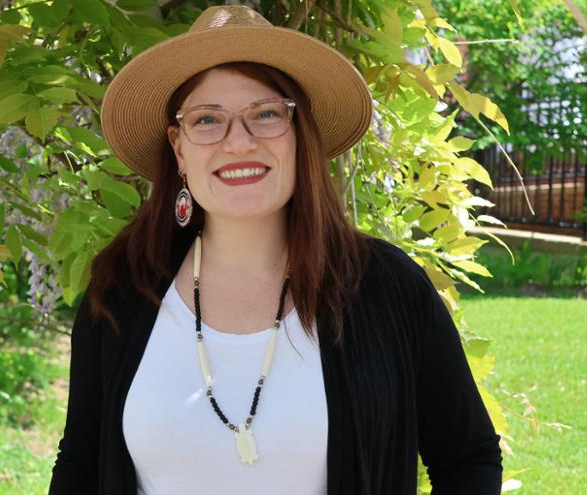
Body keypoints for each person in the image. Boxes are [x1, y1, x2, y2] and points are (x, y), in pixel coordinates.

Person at [48, 5, 502, 495]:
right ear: (179, 150)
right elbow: (80, 463)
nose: (238, 143)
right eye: (207, 120)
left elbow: (467, 458)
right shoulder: (122, 293)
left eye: (266, 114)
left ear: (300, 135)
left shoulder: (387, 288)